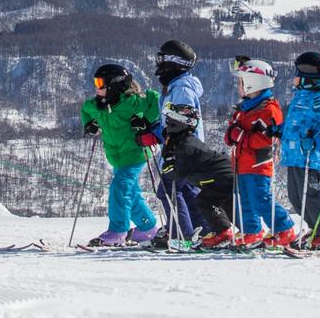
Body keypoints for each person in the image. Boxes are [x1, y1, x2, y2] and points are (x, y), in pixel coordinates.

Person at [80, 63, 161, 246]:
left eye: (100, 83)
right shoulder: (98, 105)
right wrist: (89, 125)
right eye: (96, 82)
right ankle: (147, 228)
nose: (97, 87)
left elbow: (156, 99)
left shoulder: (132, 102)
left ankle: (118, 231)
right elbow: (85, 110)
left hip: (136, 154)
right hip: (117, 157)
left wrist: (145, 121)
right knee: (130, 193)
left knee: (120, 187)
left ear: (115, 84)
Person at [223, 59, 297, 247]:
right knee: (244, 201)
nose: (238, 87)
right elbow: (233, 133)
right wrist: (232, 135)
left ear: (252, 82)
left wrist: (240, 136)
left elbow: (266, 140)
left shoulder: (268, 109)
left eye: (241, 82)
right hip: (241, 163)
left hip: (258, 164)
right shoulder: (244, 108)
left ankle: (284, 228)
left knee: (260, 199)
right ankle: (252, 232)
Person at [279, 51, 320, 247]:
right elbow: (293, 125)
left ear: (308, 75)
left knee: (312, 194)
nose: (294, 78)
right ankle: (316, 229)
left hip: (307, 156)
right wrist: (276, 130)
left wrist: (317, 142)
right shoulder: (300, 97)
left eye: (297, 73)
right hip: (292, 155)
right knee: (296, 197)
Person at [150, 38, 206, 243]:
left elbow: (182, 121)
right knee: (187, 191)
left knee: (168, 190)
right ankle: (204, 231)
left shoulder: (181, 89)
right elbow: (171, 120)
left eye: (161, 59)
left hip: (181, 149)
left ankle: (182, 234)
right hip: (182, 147)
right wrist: (155, 129)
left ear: (173, 62)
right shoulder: (175, 87)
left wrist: (165, 135)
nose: (158, 64)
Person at [158, 102, 237, 247]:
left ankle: (231, 233)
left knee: (211, 201)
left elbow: (176, 174)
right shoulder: (183, 141)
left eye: (169, 122)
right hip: (221, 176)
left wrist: (168, 162)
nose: (166, 126)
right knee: (217, 202)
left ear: (178, 123)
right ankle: (235, 232)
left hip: (221, 176)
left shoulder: (186, 145)